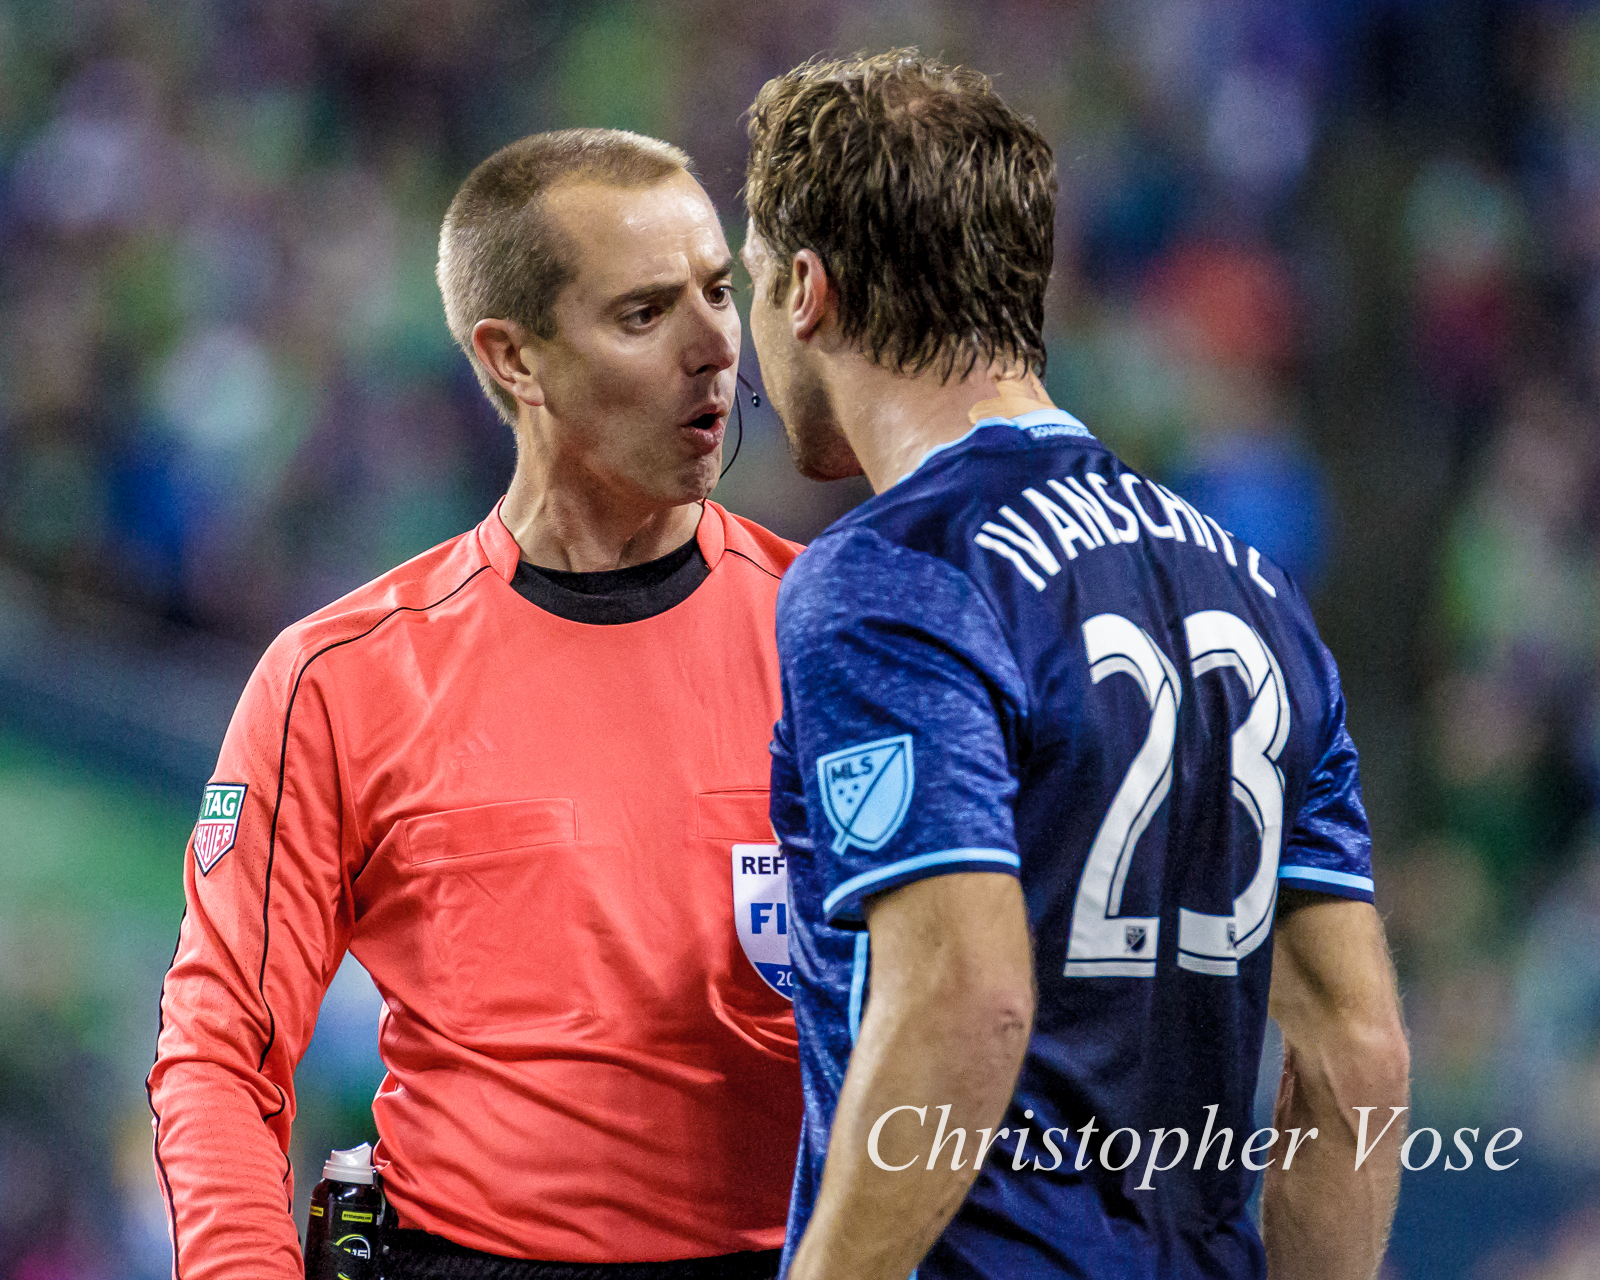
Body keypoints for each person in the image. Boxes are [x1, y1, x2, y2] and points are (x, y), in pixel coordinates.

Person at [739, 52, 1412, 1280]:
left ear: (804, 289)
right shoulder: (1253, 585)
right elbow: (1356, 1052)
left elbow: (962, 998)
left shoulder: (893, 572)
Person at [147, 128, 803, 1280]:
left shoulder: (837, 639)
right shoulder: (339, 678)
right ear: (513, 360)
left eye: (719, 290)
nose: (716, 347)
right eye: (644, 314)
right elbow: (217, 1045)